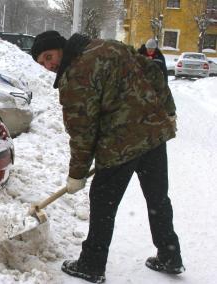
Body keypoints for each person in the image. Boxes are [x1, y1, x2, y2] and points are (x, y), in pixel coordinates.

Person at [31, 30, 184, 283]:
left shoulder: (75, 76)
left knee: (103, 202)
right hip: (153, 135)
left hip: (119, 146)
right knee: (158, 198)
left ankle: (91, 264)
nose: (49, 65)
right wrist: (168, 111)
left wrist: (76, 175)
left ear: (61, 47)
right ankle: (170, 255)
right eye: (43, 63)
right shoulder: (111, 46)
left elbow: (82, 132)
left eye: (49, 56)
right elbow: (154, 73)